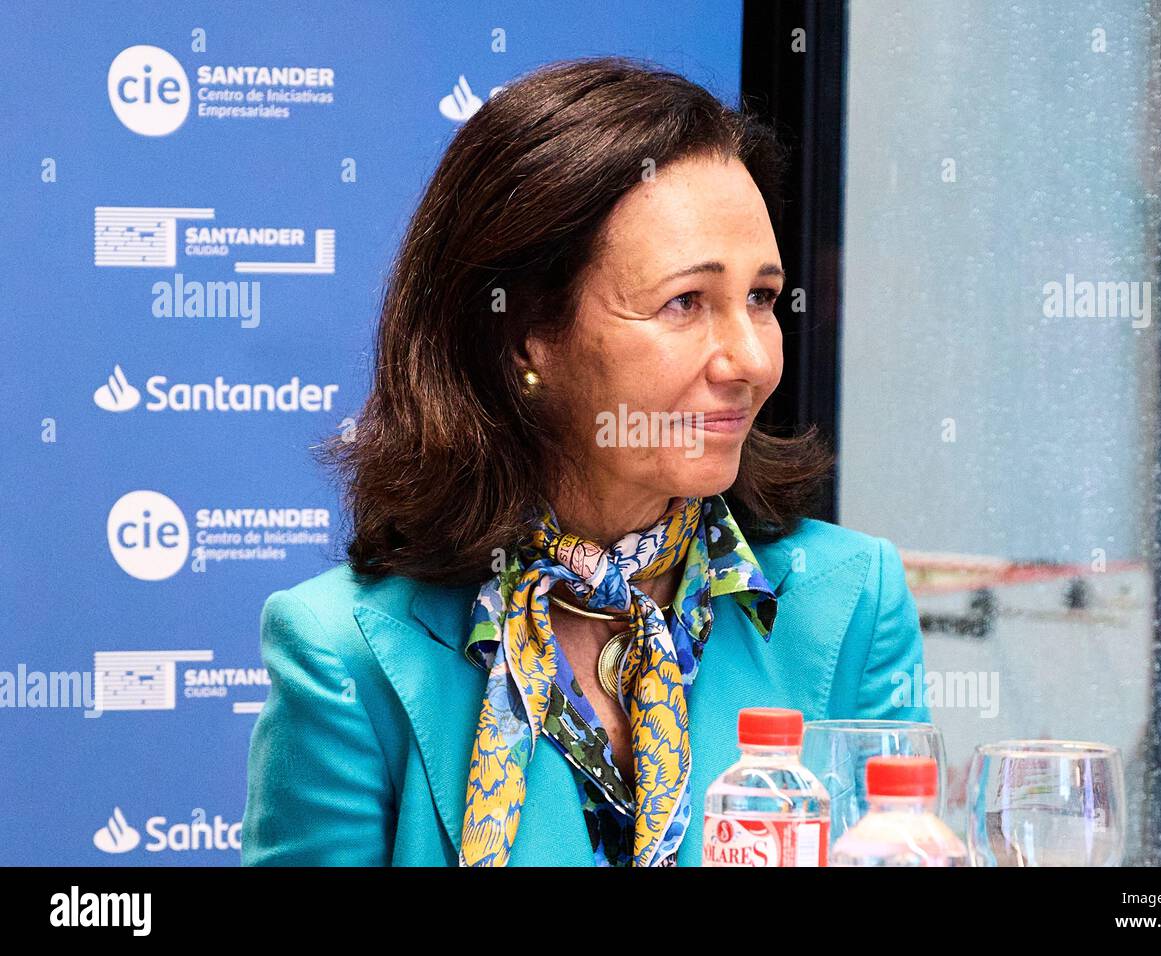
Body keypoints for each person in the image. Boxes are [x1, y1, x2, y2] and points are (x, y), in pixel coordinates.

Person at [241, 55, 931, 867]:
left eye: (761, 299)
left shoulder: (850, 603)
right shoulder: (343, 652)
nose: (749, 359)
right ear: (528, 333)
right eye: (686, 303)